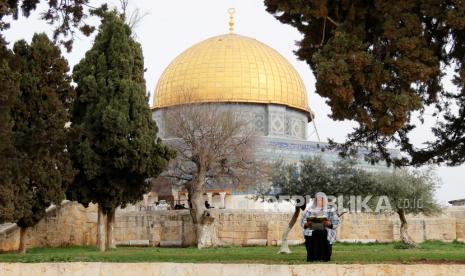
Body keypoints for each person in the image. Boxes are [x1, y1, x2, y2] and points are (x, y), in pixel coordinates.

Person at [301, 192, 339, 262]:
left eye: (321, 200)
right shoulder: (310, 210)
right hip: (312, 229)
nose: (319, 202)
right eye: (317, 200)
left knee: (322, 233)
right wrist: (307, 224)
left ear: (324, 200)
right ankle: (312, 257)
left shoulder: (331, 209)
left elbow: (336, 222)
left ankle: (324, 257)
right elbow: (303, 222)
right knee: (314, 233)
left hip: (326, 229)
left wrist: (329, 223)